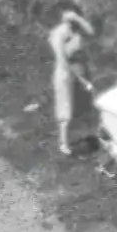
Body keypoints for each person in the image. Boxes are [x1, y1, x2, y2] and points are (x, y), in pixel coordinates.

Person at [47, 8, 93, 156]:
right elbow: (63, 62)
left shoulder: (77, 30)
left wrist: (79, 18)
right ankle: (63, 142)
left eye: (75, 22)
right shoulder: (58, 35)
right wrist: (83, 80)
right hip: (64, 74)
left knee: (81, 106)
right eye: (72, 23)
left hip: (79, 68)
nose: (75, 26)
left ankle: (84, 134)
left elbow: (91, 31)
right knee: (65, 109)